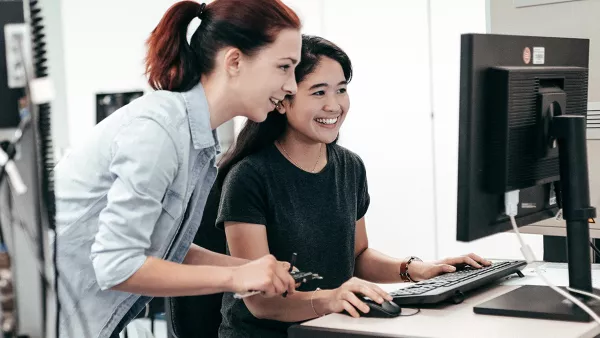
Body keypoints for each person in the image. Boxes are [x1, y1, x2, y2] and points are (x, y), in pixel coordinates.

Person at [53, 1, 303, 337]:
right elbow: (116, 266)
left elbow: (168, 247)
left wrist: (251, 269)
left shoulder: (193, 138)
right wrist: (235, 277)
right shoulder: (159, 131)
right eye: (284, 67)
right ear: (234, 61)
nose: (292, 87)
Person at [215, 35, 492, 338]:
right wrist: (330, 298)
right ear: (283, 100)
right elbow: (260, 302)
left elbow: (358, 256)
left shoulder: (350, 167)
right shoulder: (249, 177)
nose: (334, 105)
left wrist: (417, 270)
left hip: (334, 328)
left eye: (342, 90)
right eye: (318, 92)